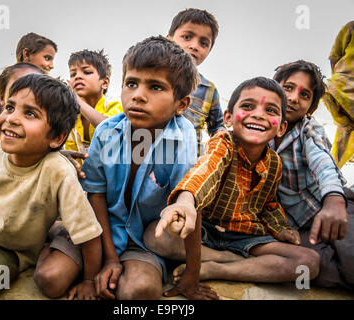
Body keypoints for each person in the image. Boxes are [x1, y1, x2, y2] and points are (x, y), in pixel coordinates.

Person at [146, 77, 320, 289]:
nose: (258, 114)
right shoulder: (223, 143)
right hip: (205, 232)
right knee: (154, 237)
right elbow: (206, 171)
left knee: (309, 262)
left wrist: (280, 228)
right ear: (228, 117)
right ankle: (232, 260)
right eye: (248, 106)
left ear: (282, 127)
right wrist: (186, 201)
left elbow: (268, 204)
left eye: (271, 111)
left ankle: (215, 269)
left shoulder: (275, 163)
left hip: (245, 237)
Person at [80, 35, 218, 300]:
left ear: (181, 104)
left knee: (139, 292)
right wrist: (108, 259)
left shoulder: (183, 136)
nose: (138, 96)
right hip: (100, 231)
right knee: (50, 278)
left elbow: (189, 199)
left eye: (155, 87)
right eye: (131, 83)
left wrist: (192, 273)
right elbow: (95, 194)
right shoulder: (108, 132)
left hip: (144, 241)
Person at [0, 74, 102, 300]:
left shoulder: (58, 172)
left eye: (30, 113)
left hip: (10, 252)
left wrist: (90, 281)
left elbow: (88, 234)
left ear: (56, 138)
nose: (12, 119)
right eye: (10, 107)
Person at [272, 60, 354, 289]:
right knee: (318, 270)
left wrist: (334, 201)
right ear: (273, 87)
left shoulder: (308, 129)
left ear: (311, 108)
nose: (294, 97)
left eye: (304, 94)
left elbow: (323, 162)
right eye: (287, 87)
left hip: (335, 209)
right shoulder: (258, 128)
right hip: (300, 225)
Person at [167, 8, 225, 156]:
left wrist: (220, 139)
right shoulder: (151, 77)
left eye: (203, 43)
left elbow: (217, 125)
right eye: (187, 37)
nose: (194, 46)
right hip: (150, 157)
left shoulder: (208, 90)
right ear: (169, 39)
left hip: (190, 164)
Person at [0, 32, 57, 142]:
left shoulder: (49, 86)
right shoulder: (3, 80)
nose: (51, 65)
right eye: (47, 58)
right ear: (26, 54)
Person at [65, 49, 123, 166]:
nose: (78, 77)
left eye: (86, 72)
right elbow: (72, 154)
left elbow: (109, 129)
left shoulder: (112, 104)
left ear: (105, 83)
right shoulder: (72, 116)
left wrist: (77, 101)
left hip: (116, 176)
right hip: (87, 179)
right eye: (73, 74)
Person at [323, 21, 354, 168]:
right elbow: (335, 56)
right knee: (323, 89)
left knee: (343, 141)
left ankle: (332, 176)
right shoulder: (351, 27)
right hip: (343, 83)